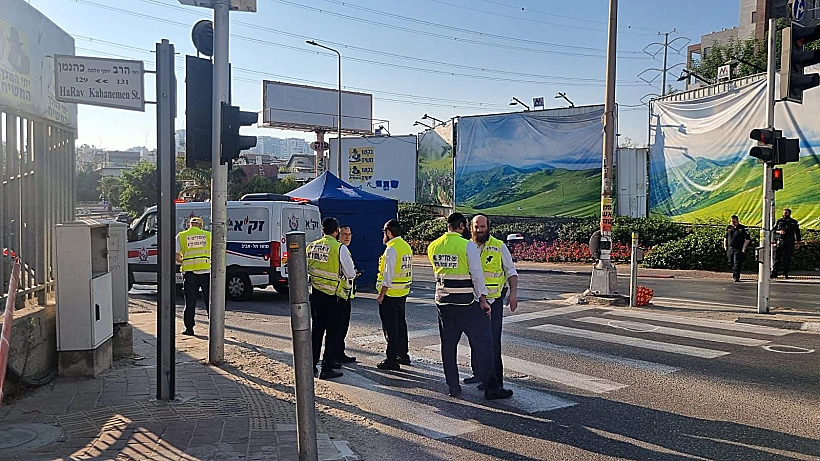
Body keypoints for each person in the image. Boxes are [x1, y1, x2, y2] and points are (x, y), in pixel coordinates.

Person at [427, 213, 513, 400]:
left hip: (443, 303)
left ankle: (453, 386)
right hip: (466, 304)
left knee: (448, 347)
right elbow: (476, 274)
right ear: (463, 225)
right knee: (485, 343)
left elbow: (438, 272)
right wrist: (482, 299)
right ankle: (491, 387)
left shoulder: (433, 246)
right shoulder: (467, 245)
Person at [463, 214, 518, 390]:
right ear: (470, 227)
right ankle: (478, 374)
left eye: (482, 227)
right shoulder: (467, 246)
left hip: (493, 302)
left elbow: (511, 272)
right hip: (472, 301)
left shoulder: (498, 246)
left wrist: (513, 294)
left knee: (492, 341)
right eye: (476, 227)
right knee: (474, 339)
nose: (479, 230)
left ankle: (495, 382)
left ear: (488, 227)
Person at [307, 217, 356, 380]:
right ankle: (327, 367)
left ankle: (311, 364)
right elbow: (350, 273)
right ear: (336, 232)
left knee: (317, 331)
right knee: (332, 333)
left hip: (316, 294)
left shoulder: (312, 246)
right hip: (333, 296)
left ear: (323, 230)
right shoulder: (339, 248)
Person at [375, 219, 413, 371]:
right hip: (402, 292)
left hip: (390, 294)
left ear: (389, 232)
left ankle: (392, 359)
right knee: (400, 325)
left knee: (390, 328)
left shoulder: (391, 249)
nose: (384, 235)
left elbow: (388, 274)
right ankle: (403, 355)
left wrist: (381, 295)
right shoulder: (405, 246)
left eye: (384, 232)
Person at [175, 216, 211, 336]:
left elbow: (176, 256)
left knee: (190, 302)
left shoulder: (181, 236)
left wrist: (184, 261)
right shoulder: (208, 235)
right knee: (210, 301)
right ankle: (214, 329)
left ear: (189, 225)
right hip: (206, 272)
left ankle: (189, 329)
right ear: (201, 226)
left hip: (190, 274)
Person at [336, 225, 357, 364]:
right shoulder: (340, 249)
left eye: (349, 234)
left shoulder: (342, 249)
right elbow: (349, 273)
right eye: (344, 234)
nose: (348, 237)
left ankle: (338, 353)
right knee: (339, 328)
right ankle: (337, 355)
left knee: (339, 328)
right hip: (340, 295)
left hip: (339, 293)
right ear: (338, 234)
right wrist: (354, 273)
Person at [772, 208, 802, 279]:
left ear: (789, 214)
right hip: (780, 241)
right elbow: (774, 230)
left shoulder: (793, 222)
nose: (785, 214)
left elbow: (797, 232)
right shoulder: (780, 221)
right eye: (784, 213)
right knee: (777, 258)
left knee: (787, 258)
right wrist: (779, 232)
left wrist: (798, 242)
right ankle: (774, 273)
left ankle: (785, 273)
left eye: (786, 213)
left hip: (789, 242)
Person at [724, 215, 750, 283]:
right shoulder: (729, 228)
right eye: (732, 222)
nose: (733, 223)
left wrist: (744, 248)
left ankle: (736, 277)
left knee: (737, 263)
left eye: (734, 222)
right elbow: (725, 237)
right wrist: (725, 246)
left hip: (738, 248)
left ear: (737, 221)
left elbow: (747, 239)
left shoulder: (743, 228)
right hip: (730, 248)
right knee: (731, 262)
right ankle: (734, 274)